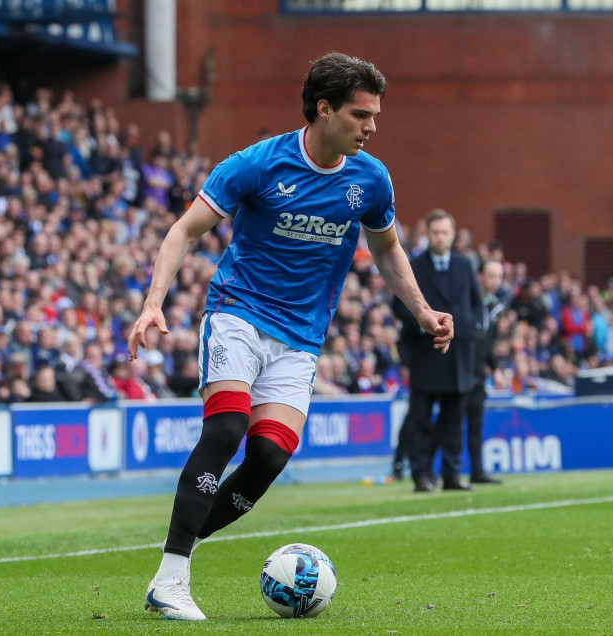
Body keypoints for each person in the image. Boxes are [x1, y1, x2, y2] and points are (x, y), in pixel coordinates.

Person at [125, 53, 453, 621]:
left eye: (374, 115)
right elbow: (183, 230)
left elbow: (386, 248)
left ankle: (173, 559)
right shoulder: (255, 165)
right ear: (323, 110)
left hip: (300, 338)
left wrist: (423, 310)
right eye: (360, 115)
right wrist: (152, 303)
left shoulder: (370, 179)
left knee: (269, 457)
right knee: (227, 428)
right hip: (239, 314)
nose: (371, 126)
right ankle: (173, 578)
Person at [393, 209, 480, 493]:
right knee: (420, 418)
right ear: (426, 235)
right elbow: (399, 307)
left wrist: (470, 330)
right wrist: (426, 325)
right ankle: (421, 475)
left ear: (453, 235)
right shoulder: (413, 265)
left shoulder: (465, 265)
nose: (440, 237)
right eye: (435, 232)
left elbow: (476, 304)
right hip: (425, 353)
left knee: (454, 420)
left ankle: (452, 474)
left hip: (459, 356)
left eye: (445, 232)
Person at [464, 259, 506, 485]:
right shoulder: (468, 300)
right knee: (449, 423)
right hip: (461, 369)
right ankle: (425, 469)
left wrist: (496, 368)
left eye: (499, 277)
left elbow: (488, 344)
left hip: (479, 372)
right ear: (480, 276)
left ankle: (477, 471)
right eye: (491, 275)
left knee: (476, 424)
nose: (495, 281)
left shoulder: (495, 307)